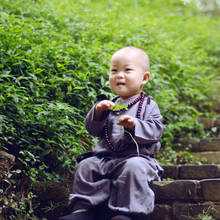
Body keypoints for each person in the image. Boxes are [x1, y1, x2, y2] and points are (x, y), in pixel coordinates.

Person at [59, 46, 166, 220]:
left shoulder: (148, 105)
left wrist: (134, 125)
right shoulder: (109, 105)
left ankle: (127, 213)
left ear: (144, 78)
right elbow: (93, 130)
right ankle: (84, 209)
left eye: (127, 70)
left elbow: (156, 130)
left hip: (136, 158)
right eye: (114, 70)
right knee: (86, 166)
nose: (119, 75)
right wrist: (98, 113)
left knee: (134, 168)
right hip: (105, 159)